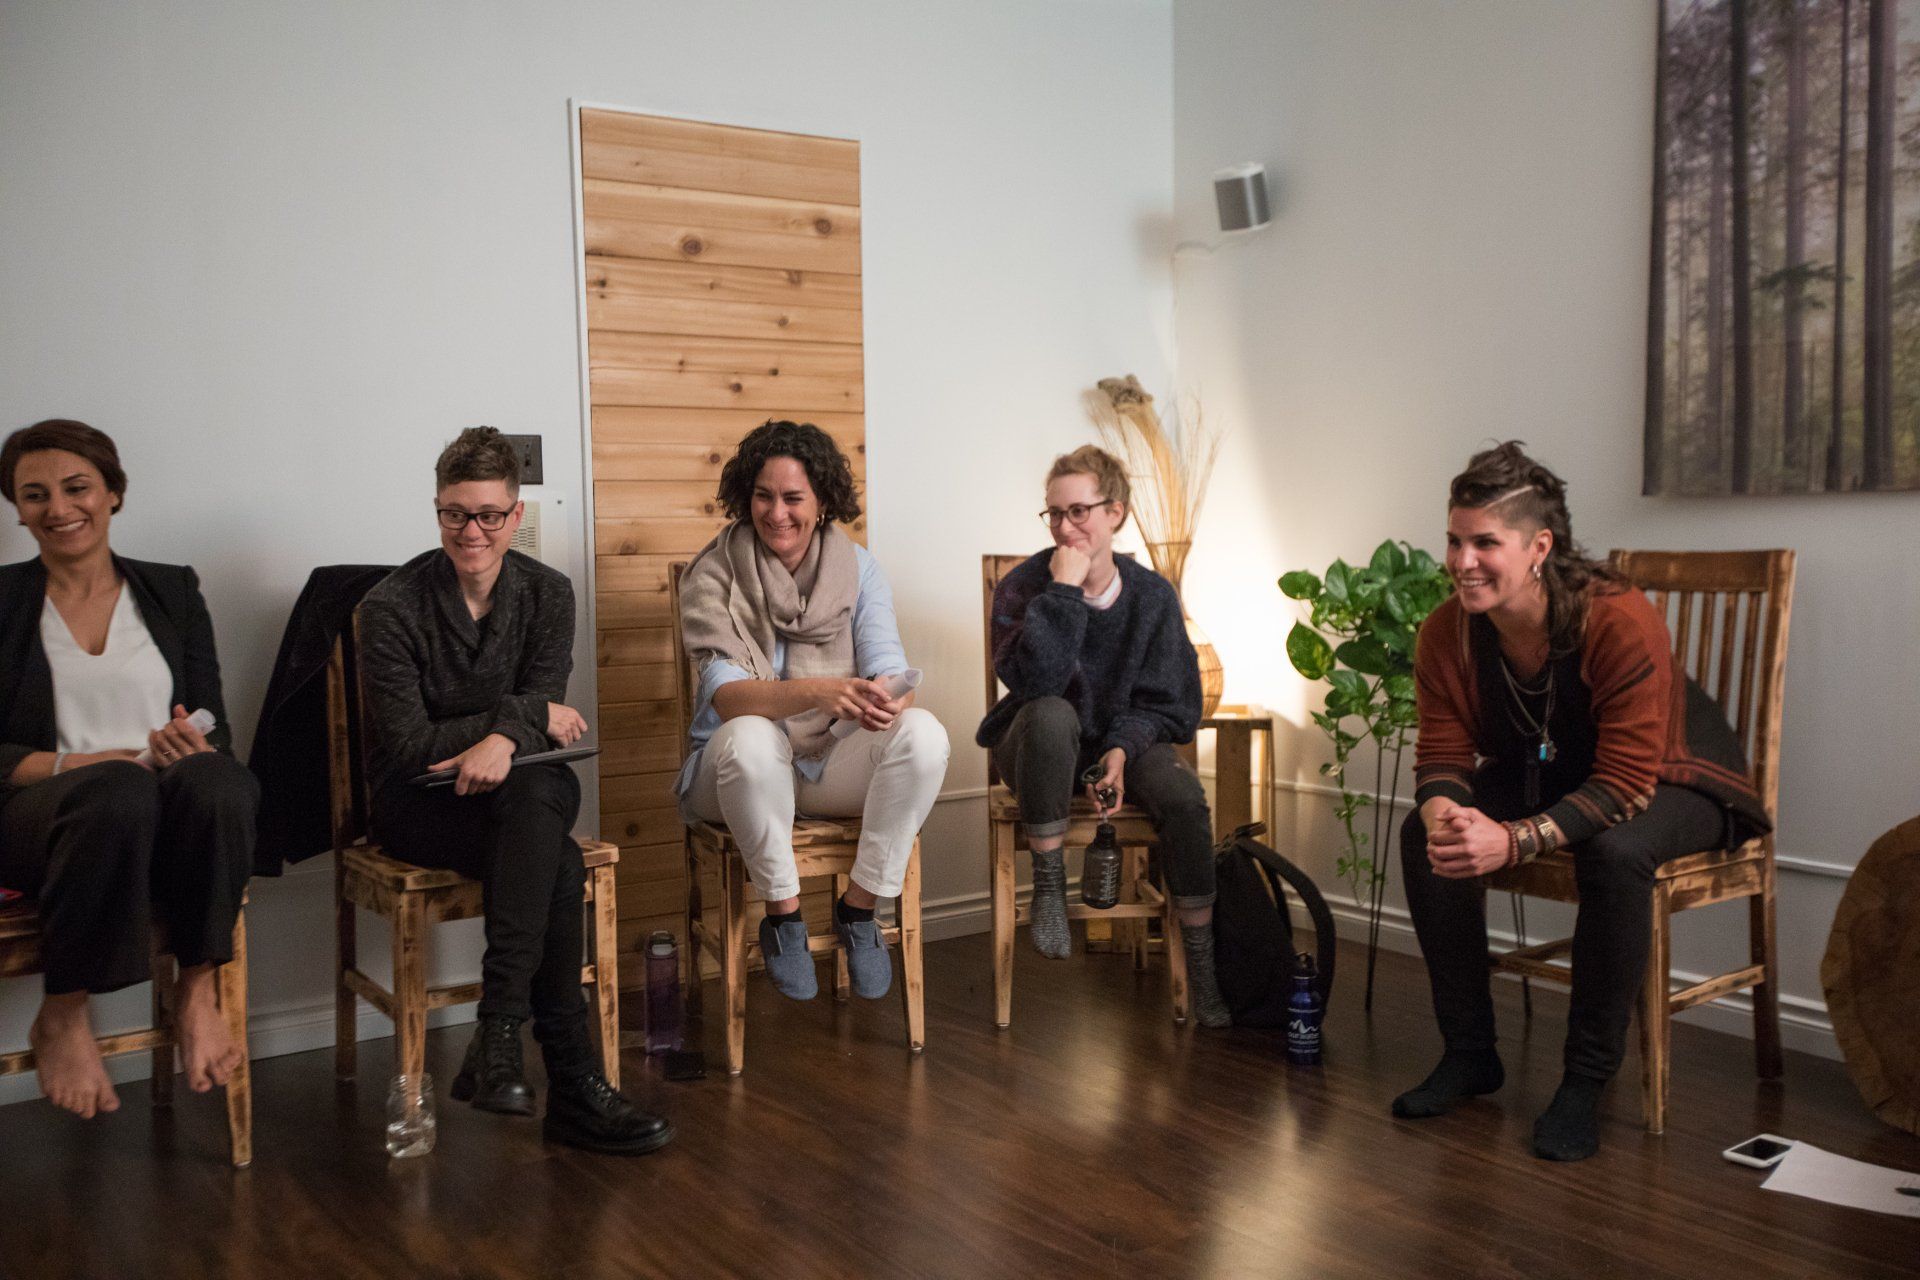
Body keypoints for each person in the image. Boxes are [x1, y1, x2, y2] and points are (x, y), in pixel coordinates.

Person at [1394, 441, 1771, 1161]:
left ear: (1539, 547)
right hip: (1559, 773)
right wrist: (1451, 820)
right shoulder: (1445, 633)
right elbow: (1442, 758)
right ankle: (1470, 1053)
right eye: (1454, 539)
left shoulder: (1616, 618)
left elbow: (1627, 782)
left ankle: (1584, 1082)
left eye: (1485, 543)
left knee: (1616, 849)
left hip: (1677, 777)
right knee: (1423, 833)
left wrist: (1511, 840)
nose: (1462, 560)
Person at [359, 426, 670, 1156]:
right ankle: (574, 1087)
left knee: (536, 800)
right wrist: (520, 719)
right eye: (455, 514)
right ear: (437, 510)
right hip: (418, 804)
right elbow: (411, 747)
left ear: (515, 515)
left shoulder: (547, 593)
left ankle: (500, 1036)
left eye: (489, 515)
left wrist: (509, 739)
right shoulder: (391, 605)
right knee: (556, 861)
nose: (472, 531)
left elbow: (542, 736)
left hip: (519, 794)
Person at [0, 419, 257, 1119]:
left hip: (159, 802)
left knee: (223, 781)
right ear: (17, 509)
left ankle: (197, 989)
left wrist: (193, 747)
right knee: (115, 790)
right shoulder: (3, 601)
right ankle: (63, 1010)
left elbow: (216, 723)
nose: (59, 508)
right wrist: (76, 762)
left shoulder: (172, 590)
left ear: (112, 493)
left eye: (77, 487)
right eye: (35, 494)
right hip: (42, 814)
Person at [677, 420, 949, 1002]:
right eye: (763, 495)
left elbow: (888, 667)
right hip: (730, 777)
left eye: (793, 498)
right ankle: (784, 916)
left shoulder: (860, 569)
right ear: (744, 497)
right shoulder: (713, 574)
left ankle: (860, 909)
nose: (777, 513)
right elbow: (728, 699)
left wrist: (887, 699)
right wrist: (820, 690)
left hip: (823, 766)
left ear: (822, 501)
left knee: (923, 734)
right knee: (751, 737)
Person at [976, 445, 1229, 1028]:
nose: (1065, 528)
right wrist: (1063, 595)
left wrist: (1120, 750)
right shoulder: (1024, 587)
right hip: (1036, 745)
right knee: (1051, 715)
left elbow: (1169, 702)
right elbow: (1036, 683)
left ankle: (1204, 973)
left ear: (1115, 512)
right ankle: (1047, 891)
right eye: (1054, 514)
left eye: (1079, 512)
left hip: (1121, 740)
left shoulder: (1153, 598)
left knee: (1186, 801)